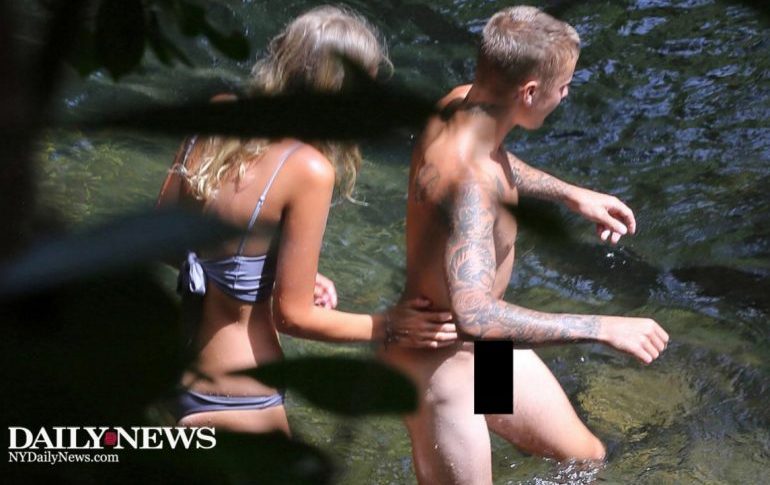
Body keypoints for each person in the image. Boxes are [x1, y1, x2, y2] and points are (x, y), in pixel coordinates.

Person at [380, 6, 670, 484]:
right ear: (530, 92)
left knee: (584, 461)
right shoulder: (470, 184)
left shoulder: (457, 104)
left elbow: (496, 165)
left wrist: (571, 194)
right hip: (441, 371)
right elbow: (474, 314)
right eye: (564, 86)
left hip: (486, 353)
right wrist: (602, 327)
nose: (566, 95)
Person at [155, 5, 456, 435]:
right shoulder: (308, 170)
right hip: (242, 398)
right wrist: (391, 324)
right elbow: (293, 317)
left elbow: (165, 240)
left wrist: (274, 271)